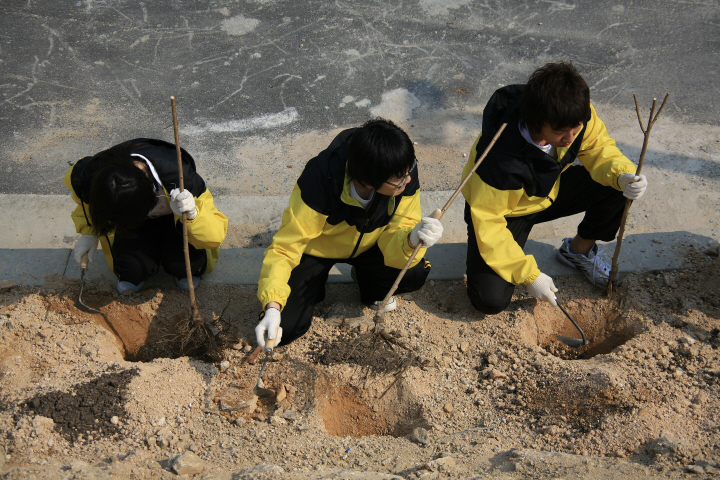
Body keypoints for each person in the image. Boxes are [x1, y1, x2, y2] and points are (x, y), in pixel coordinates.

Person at [462, 62, 648, 314]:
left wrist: (622, 175)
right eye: (560, 132)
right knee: (489, 300)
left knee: (617, 186)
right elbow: (490, 223)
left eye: (576, 128)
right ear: (536, 122)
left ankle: (578, 252)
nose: (570, 138)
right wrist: (530, 275)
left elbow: (598, 148)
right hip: (505, 214)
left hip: (547, 191)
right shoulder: (498, 161)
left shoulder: (572, 114)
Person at [255, 119, 444, 348]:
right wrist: (272, 306)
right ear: (368, 181)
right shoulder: (320, 180)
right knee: (285, 328)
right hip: (318, 250)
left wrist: (411, 239)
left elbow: (402, 224)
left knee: (413, 273)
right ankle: (315, 286)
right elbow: (286, 247)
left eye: (408, 171)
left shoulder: (401, 170)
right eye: (400, 178)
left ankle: (369, 285)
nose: (408, 179)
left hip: (373, 245)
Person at [64, 138, 228, 294]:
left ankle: (184, 270)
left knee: (186, 264)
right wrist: (90, 232)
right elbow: (88, 207)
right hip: (133, 221)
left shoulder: (180, 175)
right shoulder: (87, 176)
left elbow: (215, 237)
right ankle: (136, 270)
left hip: (175, 219)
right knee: (131, 268)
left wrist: (194, 215)